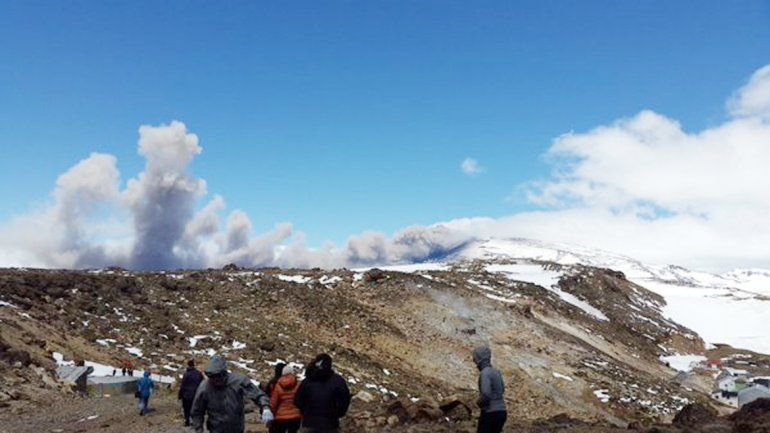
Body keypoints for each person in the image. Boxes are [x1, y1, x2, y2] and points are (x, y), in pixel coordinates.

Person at [190, 355, 274, 433]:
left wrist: (265, 407)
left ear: (224, 373)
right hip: (216, 430)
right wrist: (198, 429)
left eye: (218, 376)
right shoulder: (205, 387)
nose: (215, 380)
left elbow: (258, 394)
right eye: (212, 377)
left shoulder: (238, 381)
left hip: (237, 429)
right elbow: (197, 411)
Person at [294, 354, 351, 433]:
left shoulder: (308, 380)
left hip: (309, 423)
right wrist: (338, 413)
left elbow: (297, 401)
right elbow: (345, 399)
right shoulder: (337, 381)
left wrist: (306, 411)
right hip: (330, 424)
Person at [472, 346, 507, 433]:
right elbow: (502, 390)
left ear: (479, 359)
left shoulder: (485, 373)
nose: (474, 361)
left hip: (491, 412)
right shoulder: (496, 372)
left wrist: (478, 403)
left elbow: (486, 394)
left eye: (475, 358)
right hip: (502, 411)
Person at [269, 364, 302, 433]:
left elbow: (273, 402)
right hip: (295, 416)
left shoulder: (278, 385)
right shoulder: (298, 384)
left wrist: (272, 413)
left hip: (280, 416)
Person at [178, 359, 204, 426]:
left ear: (188, 365)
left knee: (186, 408)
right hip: (196, 394)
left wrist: (180, 395)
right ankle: (194, 421)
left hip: (187, 395)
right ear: (194, 365)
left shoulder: (186, 374)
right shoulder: (198, 373)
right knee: (195, 408)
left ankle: (187, 421)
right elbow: (202, 383)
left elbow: (182, 385)